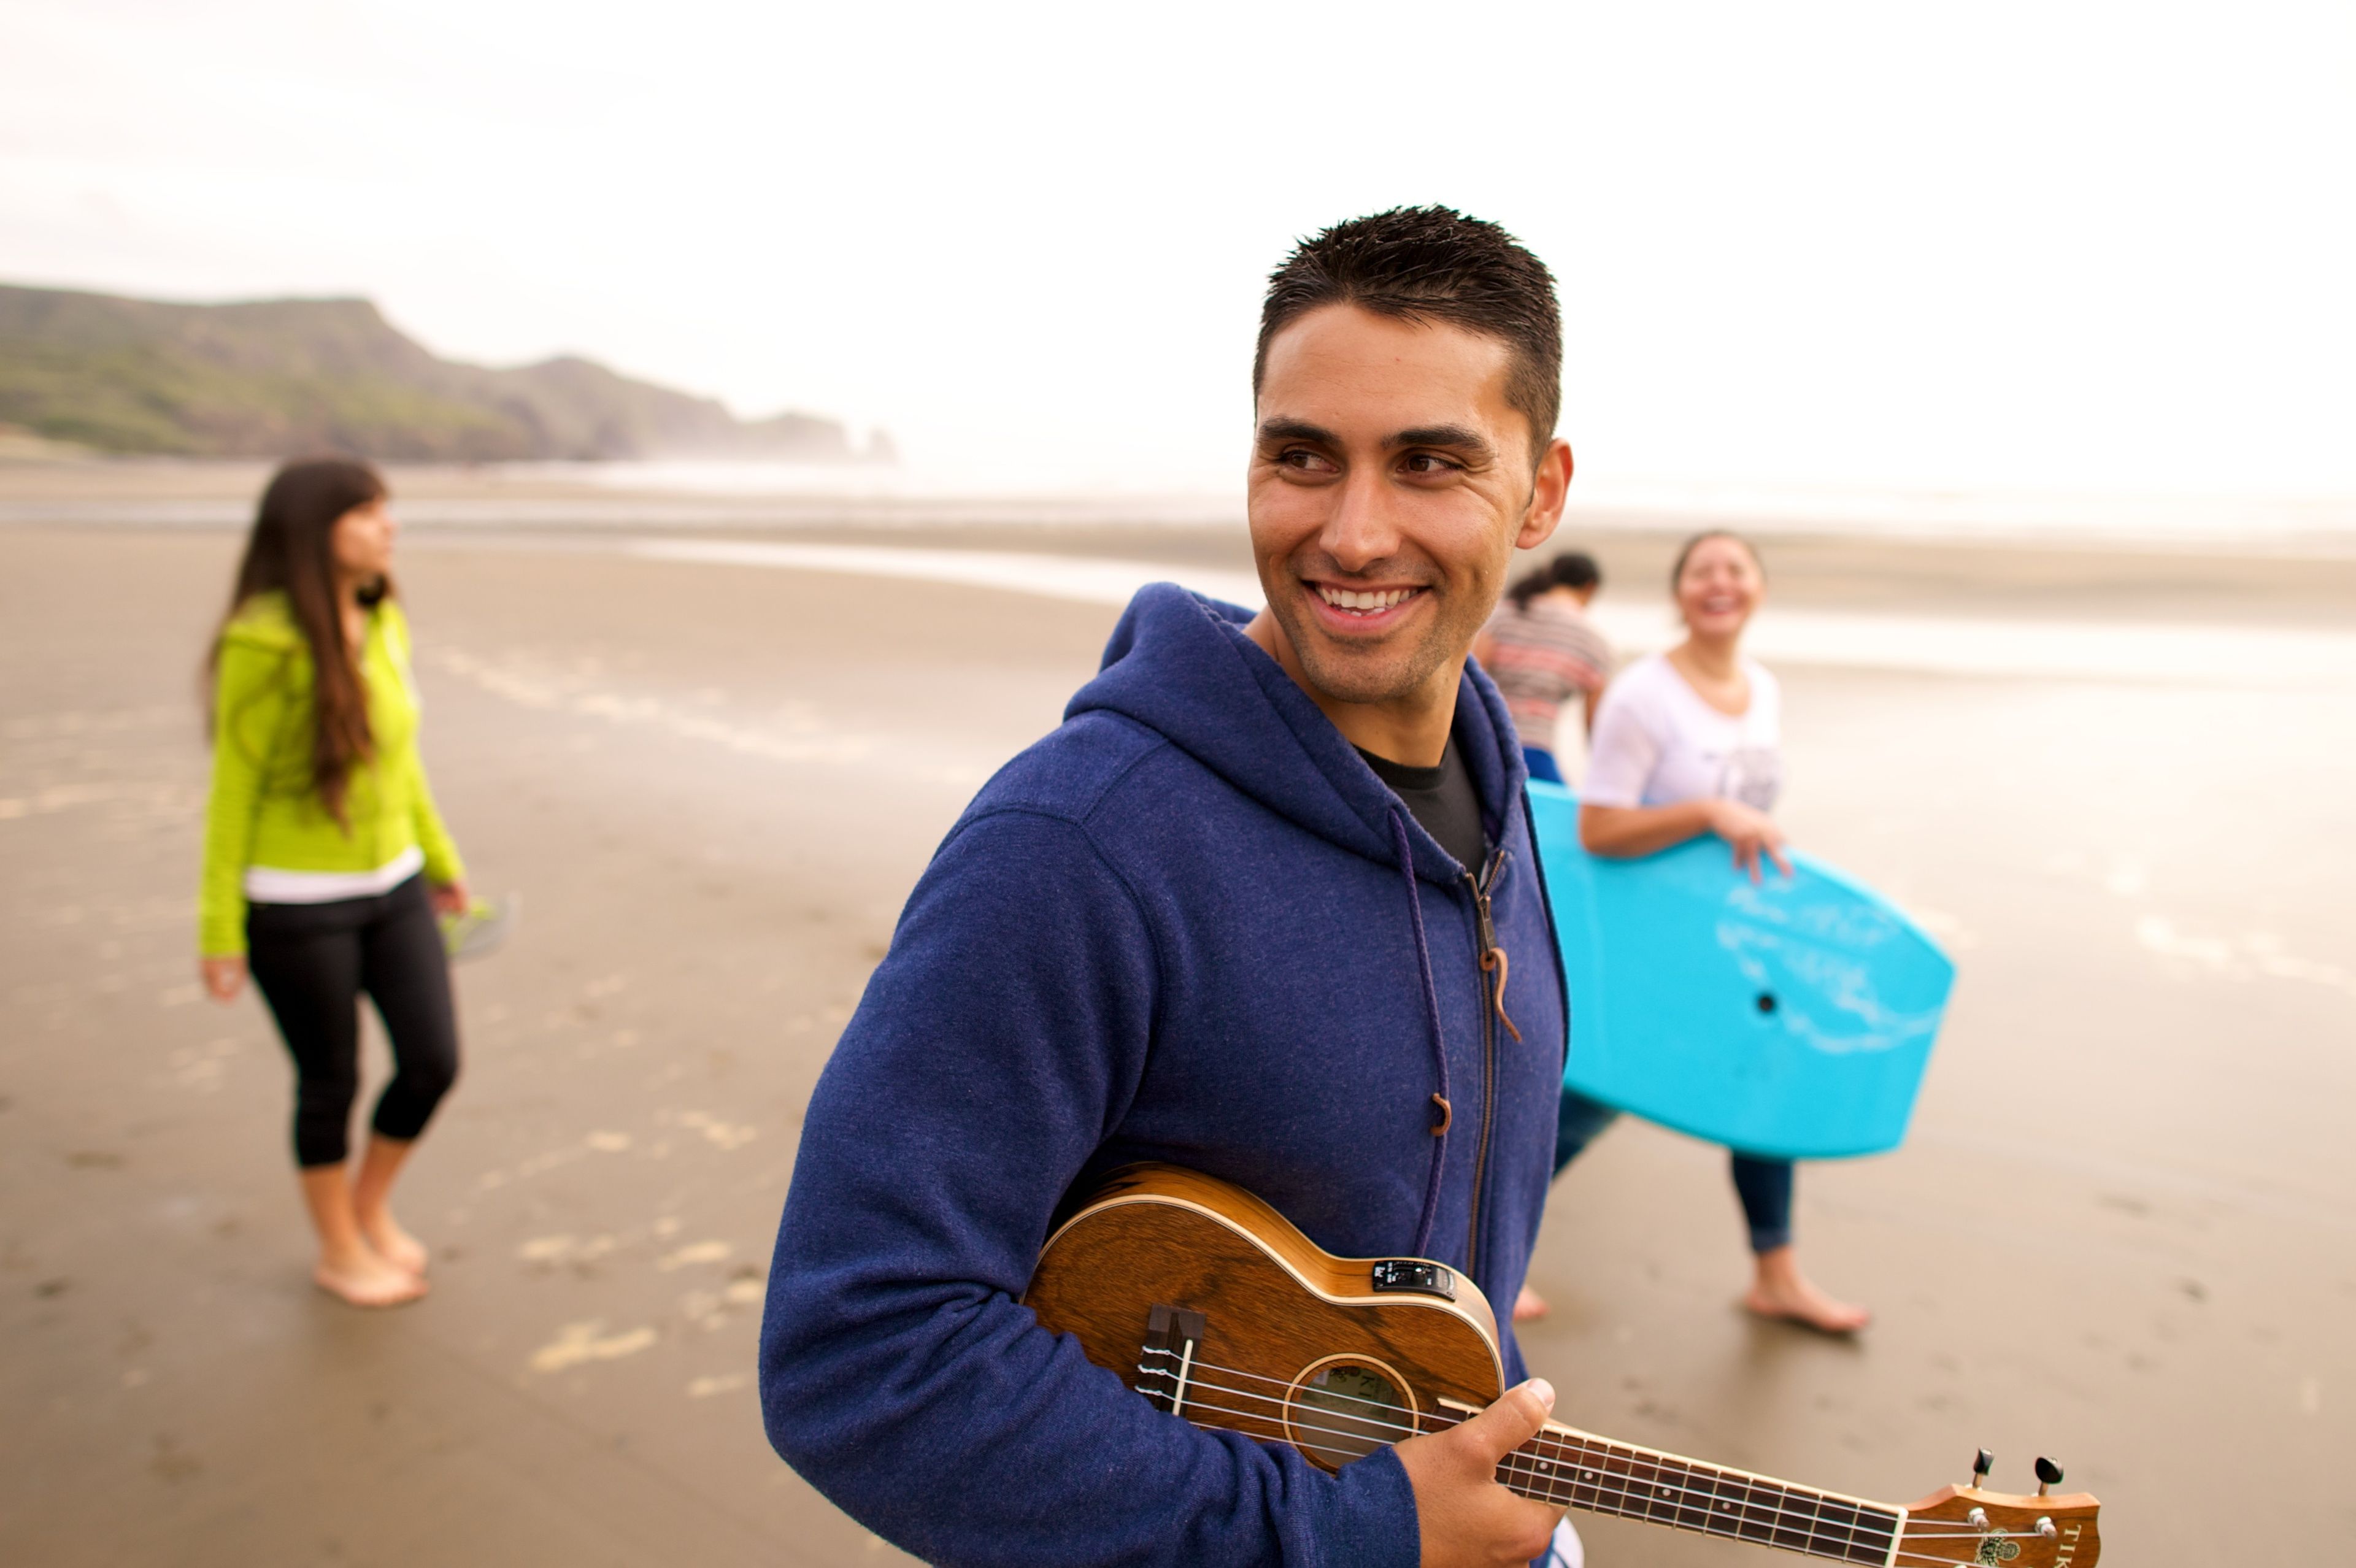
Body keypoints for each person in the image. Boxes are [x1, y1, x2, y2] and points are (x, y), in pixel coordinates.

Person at [761, 207, 1587, 1568]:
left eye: (1431, 463)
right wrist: (1354, 1530)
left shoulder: (1502, 810)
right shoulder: (1078, 844)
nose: (1354, 532)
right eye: (1302, 458)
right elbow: (858, 1352)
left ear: (1543, 491)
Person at [1550, 530, 1869, 1335]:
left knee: (1765, 1079)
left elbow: (1754, 809)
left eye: (1735, 569)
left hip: (1736, 930)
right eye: (1702, 571)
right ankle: (1480, 1263)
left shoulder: (1761, 688)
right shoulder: (1643, 695)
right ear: (1680, 593)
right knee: (1587, 1103)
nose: (1719, 582)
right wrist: (1705, 813)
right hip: (1654, 936)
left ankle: (1778, 1276)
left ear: (1758, 586)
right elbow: (1598, 828)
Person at [196, 458, 469, 1309]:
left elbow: (402, 760)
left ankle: (366, 1209)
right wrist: (218, 929)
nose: (389, 526)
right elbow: (231, 790)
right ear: (315, 530)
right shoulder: (263, 640)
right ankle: (339, 1251)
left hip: (394, 883)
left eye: (387, 509)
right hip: (294, 901)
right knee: (331, 1082)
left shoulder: (380, 617)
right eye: (367, 512)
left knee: (431, 1061)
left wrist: (441, 860)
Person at [1472, 552, 1611, 785]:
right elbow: (1594, 725)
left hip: (1483, 743)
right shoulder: (1594, 644)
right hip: (1536, 754)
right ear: (1590, 588)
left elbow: (1469, 678)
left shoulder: (1503, 616)